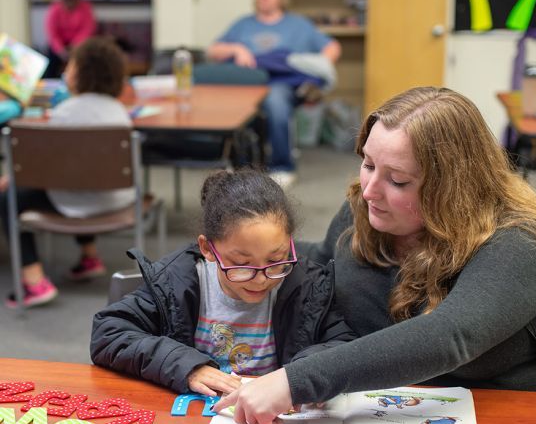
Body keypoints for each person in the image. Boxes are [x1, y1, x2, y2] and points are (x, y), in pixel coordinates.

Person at [215, 86, 536, 424]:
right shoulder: (365, 209)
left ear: (452, 187)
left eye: (398, 180)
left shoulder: (526, 240)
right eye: (369, 164)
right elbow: (322, 278)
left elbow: (448, 335)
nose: (370, 191)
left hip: (504, 419)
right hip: (380, 412)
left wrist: (295, 382)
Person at [90, 169, 356, 395]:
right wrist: (185, 366)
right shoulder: (175, 282)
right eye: (242, 264)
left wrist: (300, 377)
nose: (261, 278)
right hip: (194, 418)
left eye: (276, 259)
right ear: (207, 249)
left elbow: (345, 345)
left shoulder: (306, 286)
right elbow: (109, 333)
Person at [0, 36, 134, 308]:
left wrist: (10, 180)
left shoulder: (63, 114)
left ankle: (34, 281)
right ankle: (89, 256)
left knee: (9, 197)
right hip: (117, 198)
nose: (64, 72)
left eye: (70, 67)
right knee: (83, 177)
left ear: (80, 74)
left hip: (77, 200)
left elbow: (40, 169)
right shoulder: (120, 112)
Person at [206, 0, 341, 188]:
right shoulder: (243, 24)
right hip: (250, 82)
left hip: (281, 82)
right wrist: (237, 50)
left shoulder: (298, 25)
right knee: (235, 105)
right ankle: (240, 165)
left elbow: (332, 47)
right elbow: (213, 51)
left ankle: (282, 167)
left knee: (275, 101)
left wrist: (315, 68)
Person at [44, 0, 96, 78]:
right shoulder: (54, 9)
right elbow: (52, 33)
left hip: (79, 44)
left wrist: (74, 46)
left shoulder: (85, 7)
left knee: (88, 59)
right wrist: (60, 50)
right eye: (65, 1)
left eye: (70, 0)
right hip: (59, 45)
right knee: (50, 62)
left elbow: (87, 30)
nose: (68, 4)